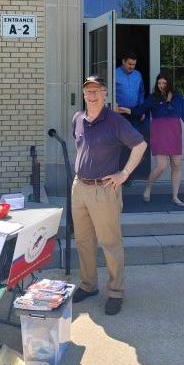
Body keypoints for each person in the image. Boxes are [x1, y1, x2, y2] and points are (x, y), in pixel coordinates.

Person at [71, 75, 147, 315]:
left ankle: (115, 291)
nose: (91, 95)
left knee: (110, 243)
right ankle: (88, 284)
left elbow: (140, 145)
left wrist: (124, 173)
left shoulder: (114, 121)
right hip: (79, 188)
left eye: (96, 91)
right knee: (83, 241)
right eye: (88, 91)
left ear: (105, 93)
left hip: (104, 190)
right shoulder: (78, 119)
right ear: (83, 94)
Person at [118, 72, 184, 207]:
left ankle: (175, 196)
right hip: (159, 133)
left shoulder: (178, 98)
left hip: (174, 133)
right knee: (161, 166)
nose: (161, 86)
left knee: (177, 164)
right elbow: (139, 110)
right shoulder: (153, 98)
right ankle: (149, 186)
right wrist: (125, 110)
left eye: (164, 83)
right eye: (159, 83)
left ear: (169, 83)